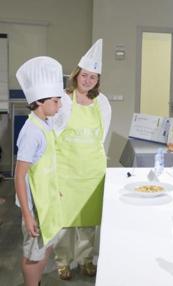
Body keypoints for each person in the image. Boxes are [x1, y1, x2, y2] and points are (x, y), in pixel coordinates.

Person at [51, 39, 111, 280]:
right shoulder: (63, 100)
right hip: (66, 170)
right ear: (76, 75)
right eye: (85, 75)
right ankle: (63, 261)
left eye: (93, 77)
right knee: (65, 222)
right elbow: (54, 132)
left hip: (91, 172)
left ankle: (86, 260)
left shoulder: (102, 102)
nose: (88, 81)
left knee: (88, 221)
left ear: (97, 81)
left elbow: (102, 135)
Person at [14, 56, 65, 286]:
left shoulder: (45, 124)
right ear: (40, 102)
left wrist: (56, 192)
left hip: (47, 201)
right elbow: (20, 175)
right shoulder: (32, 132)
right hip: (35, 206)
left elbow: (46, 167)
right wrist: (27, 213)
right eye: (56, 100)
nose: (60, 105)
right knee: (33, 256)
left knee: (45, 248)